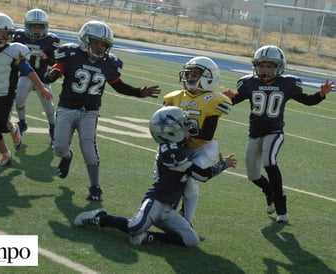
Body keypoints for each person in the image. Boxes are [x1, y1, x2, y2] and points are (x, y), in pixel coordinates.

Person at [73, 106, 237, 247]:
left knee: (191, 240)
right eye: (183, 127)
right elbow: (201, 175)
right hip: (156, 201)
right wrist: (222, 165)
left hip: (168, 208)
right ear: (171, 131)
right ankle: (100, 217)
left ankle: (148, 237)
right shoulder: (171, 152)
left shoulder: (177, 147)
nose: (188, 131)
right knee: (134, 226)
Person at [45, 20, 161, 201]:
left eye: (104, 45)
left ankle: (95, 187)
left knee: (89, 147)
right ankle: (67, 156)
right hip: (67, 108)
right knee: (59, 148)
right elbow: (56, 69)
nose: (100, 48)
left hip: (89, 112)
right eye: (96, 43)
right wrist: (51, 75)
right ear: (85, 40)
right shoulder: (71, 53)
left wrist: (139, 92)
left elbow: (118, 86)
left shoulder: (109, 63)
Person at [223, 45, 334, 223]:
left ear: (279, 66)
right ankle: (269, 193)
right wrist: (225, 98)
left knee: (269, 161)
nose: (265, 70)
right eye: (262, 65)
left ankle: (282, 209)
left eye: (270, 66)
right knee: (252, 174)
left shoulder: (287, 83)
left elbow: (307, 101)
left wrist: (321, 94)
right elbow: (233, 102)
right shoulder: (248, 83)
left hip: (275, 132)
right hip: (254, 133)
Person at [0, 12, 53, 166]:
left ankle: (14, 129)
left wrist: (42, 88)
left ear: (10, 35)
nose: (0, 37)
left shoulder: (14, 52)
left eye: (4, 34)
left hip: (5, 95)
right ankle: (6, 155)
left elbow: (29, 72)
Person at [163, 56, 232, 225]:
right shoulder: (174, 97)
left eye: (194, 75)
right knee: (170, 179)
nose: (189, 78)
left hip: (204, 147)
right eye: (189, 74)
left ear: (208, 78)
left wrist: (182, 132)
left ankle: (187, 220)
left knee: (191, 180)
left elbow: (207, 134)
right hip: (181, 147)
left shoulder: (214, 100)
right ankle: (166, 211)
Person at [13, 8, 60, 142]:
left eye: (40, 26)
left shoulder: (50, 40)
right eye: (33, 26)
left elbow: (54, 62)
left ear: (45, 27)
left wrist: (46, 59)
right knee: (19, 98)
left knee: (49, 108)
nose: (36, 29)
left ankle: (52, 127)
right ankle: (22, 123)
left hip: (42, 77)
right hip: (25, 76)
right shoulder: (19, 37)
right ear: (27, 25)